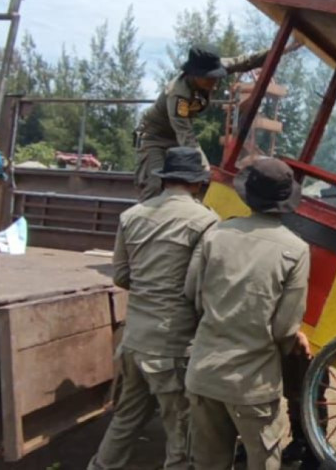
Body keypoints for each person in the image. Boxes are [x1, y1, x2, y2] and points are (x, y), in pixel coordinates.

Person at [87, 147, 219, 470]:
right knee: (180, 437)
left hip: (134, 342)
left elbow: (120, 275)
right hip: (172, 347)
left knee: (125, 422)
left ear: (166, 180)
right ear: (198, 184)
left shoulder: (131, 216)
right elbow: (199, 289)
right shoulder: (207, 222)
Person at [184, 157, 311, 470]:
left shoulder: (216, 234)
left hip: (205, 374)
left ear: (248, 196)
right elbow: (285, 328)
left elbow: (192, 295)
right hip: (253, 385)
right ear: (285, 202)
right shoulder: (295, 250)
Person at [134, 43, 297, 201]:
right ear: (195, 74)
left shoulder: (214, 65)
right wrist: (206, 169)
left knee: (191, 185)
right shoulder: (178, 95)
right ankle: (141, 221)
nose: (214, 82)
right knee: (156, 184)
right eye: (209, 78)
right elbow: (186, 136)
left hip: (179, 139)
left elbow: (246, 61)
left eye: (216, 77)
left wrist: (283, 49)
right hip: (156, 139)